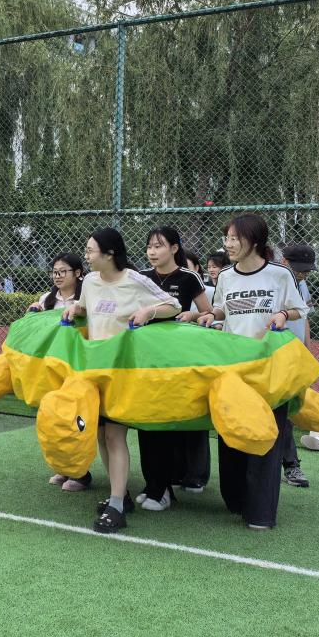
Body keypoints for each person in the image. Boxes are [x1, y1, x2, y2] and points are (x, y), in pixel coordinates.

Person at [61, 228, 179, 533]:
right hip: (94, 370)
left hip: (122, 373)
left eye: (90, 251)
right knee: (101, 435)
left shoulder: (134, 279)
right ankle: (121, 494)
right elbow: (86, 306)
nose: (86, 256)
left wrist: (148, 311)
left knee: (114, 436)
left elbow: (173, 305)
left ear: (110, 253)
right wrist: (75, 307)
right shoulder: (90, 281)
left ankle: (116, 507)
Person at [196, 213, 306, 530]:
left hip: (269, 368)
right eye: (226, 238)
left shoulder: (279, 275)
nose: (228, 244)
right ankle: (236, 501)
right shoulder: (226, 276)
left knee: (267, 436)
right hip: (234, 367)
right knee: (232, 431)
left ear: (254, 241)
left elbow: (300, 308)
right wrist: (210, 315)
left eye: (234, 238)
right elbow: (223, 308)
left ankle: (260, 513)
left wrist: (283, 314)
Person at [135, 227, 213, 511]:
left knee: (166, 424)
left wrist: (193, 314)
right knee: (145, 422)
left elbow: (209, 313)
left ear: (175, 248)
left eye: (159, 246)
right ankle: (153, 484)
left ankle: (164, 488)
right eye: (149, 246)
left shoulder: (189, 277)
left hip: (176, 361)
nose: (152, 252)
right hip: (145, 360)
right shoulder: (141, 276)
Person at [30, 254, 92, 492]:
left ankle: (81, 473)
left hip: (79, 367)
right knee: (54, 418)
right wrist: (33, 313)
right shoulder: (47, 299)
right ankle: (64, 467)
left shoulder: (85, 299)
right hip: (54, 368)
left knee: (75, 419)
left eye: (62, 271)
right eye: (54, 272)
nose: (57, 276)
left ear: (77, 273)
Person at [277, 243, 317, 487]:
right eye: (299, 269)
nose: (303, 274)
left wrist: (307, 351)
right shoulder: (275, 282)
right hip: (276, 354)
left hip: (295, 356)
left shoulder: (302, 284)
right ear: (284, 262)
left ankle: (290, 465)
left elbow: (304, 318)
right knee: (279, 413)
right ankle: (290, 465)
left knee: (287, 412)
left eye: (307, 270)